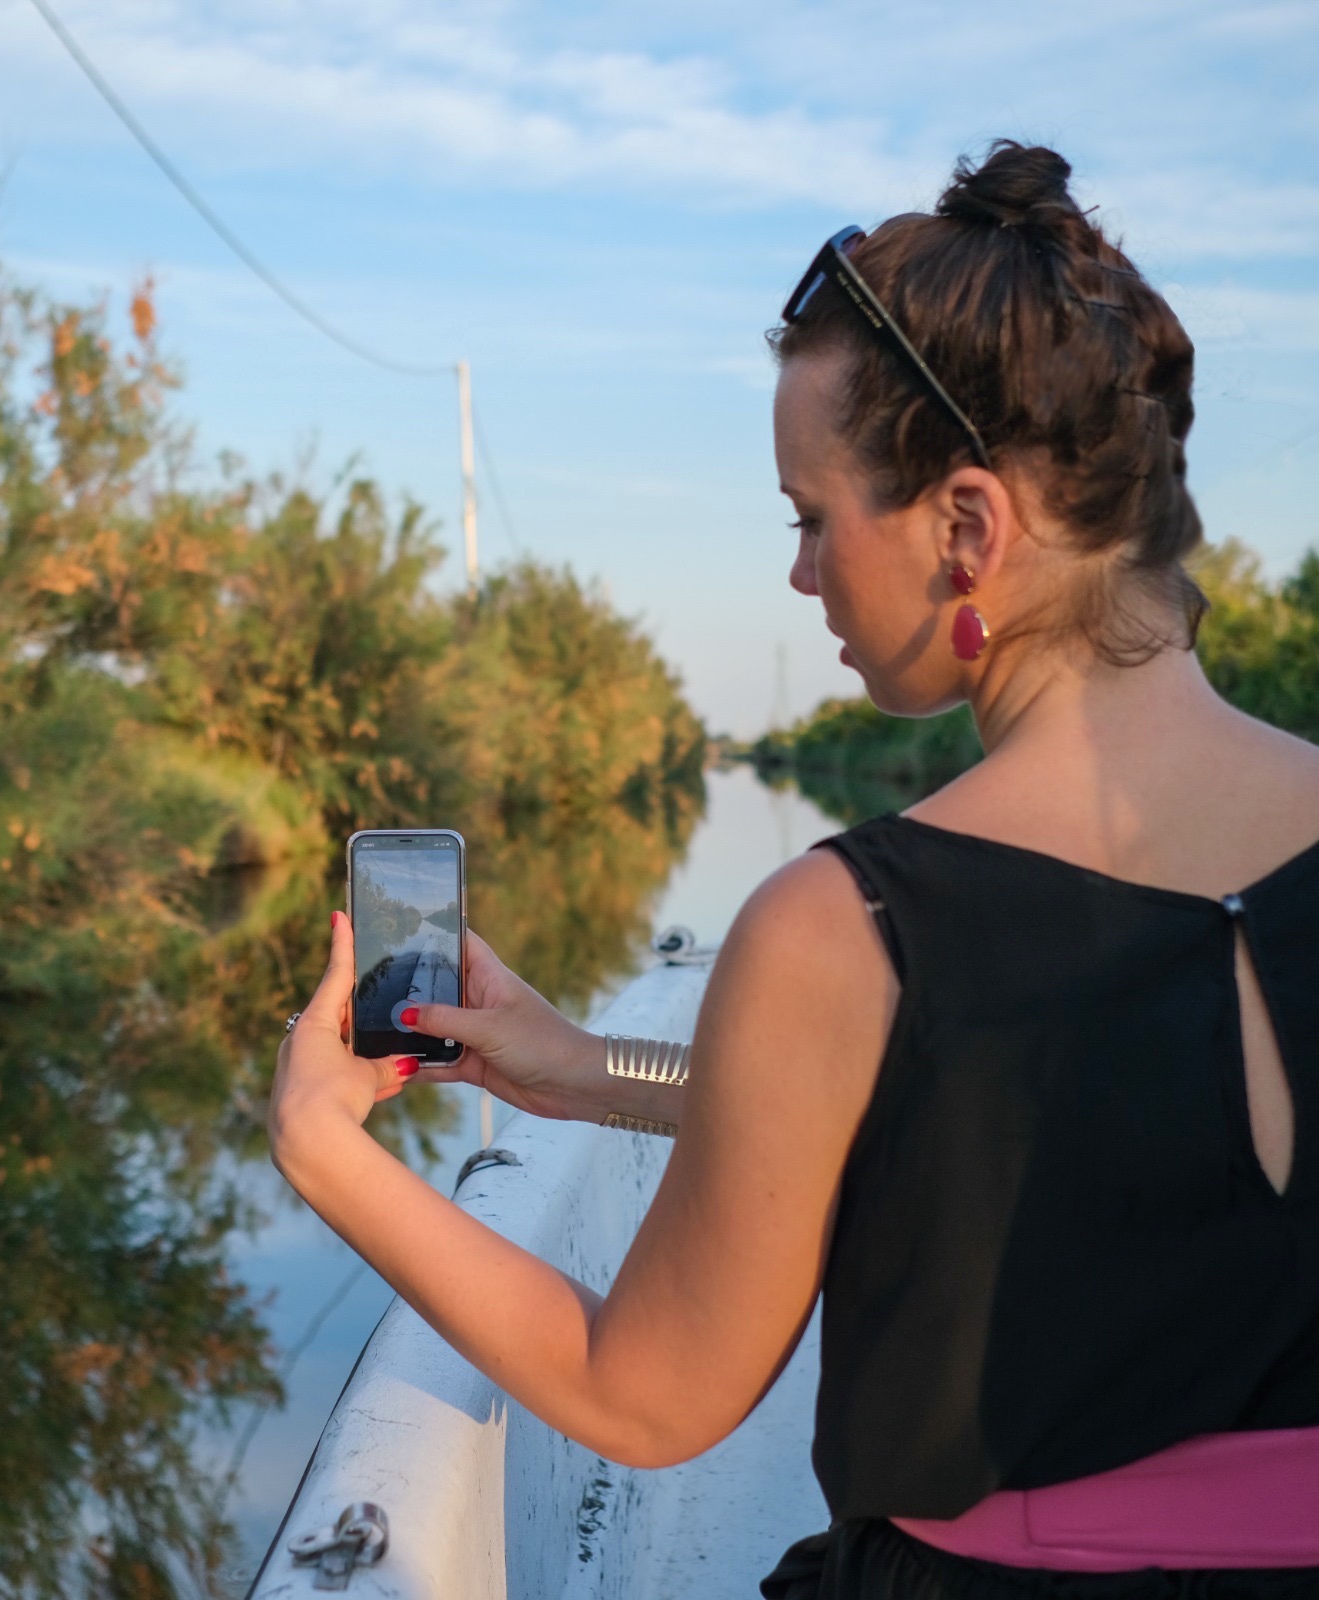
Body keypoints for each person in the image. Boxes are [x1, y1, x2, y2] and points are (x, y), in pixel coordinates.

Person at [269, 141, 1319, 1597]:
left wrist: (322, 1148)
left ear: (966, 527)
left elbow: (644, 1395)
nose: (799, 572)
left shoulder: (852, 927)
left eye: (811, 517)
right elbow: (1066, 1119)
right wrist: (578, 1071)